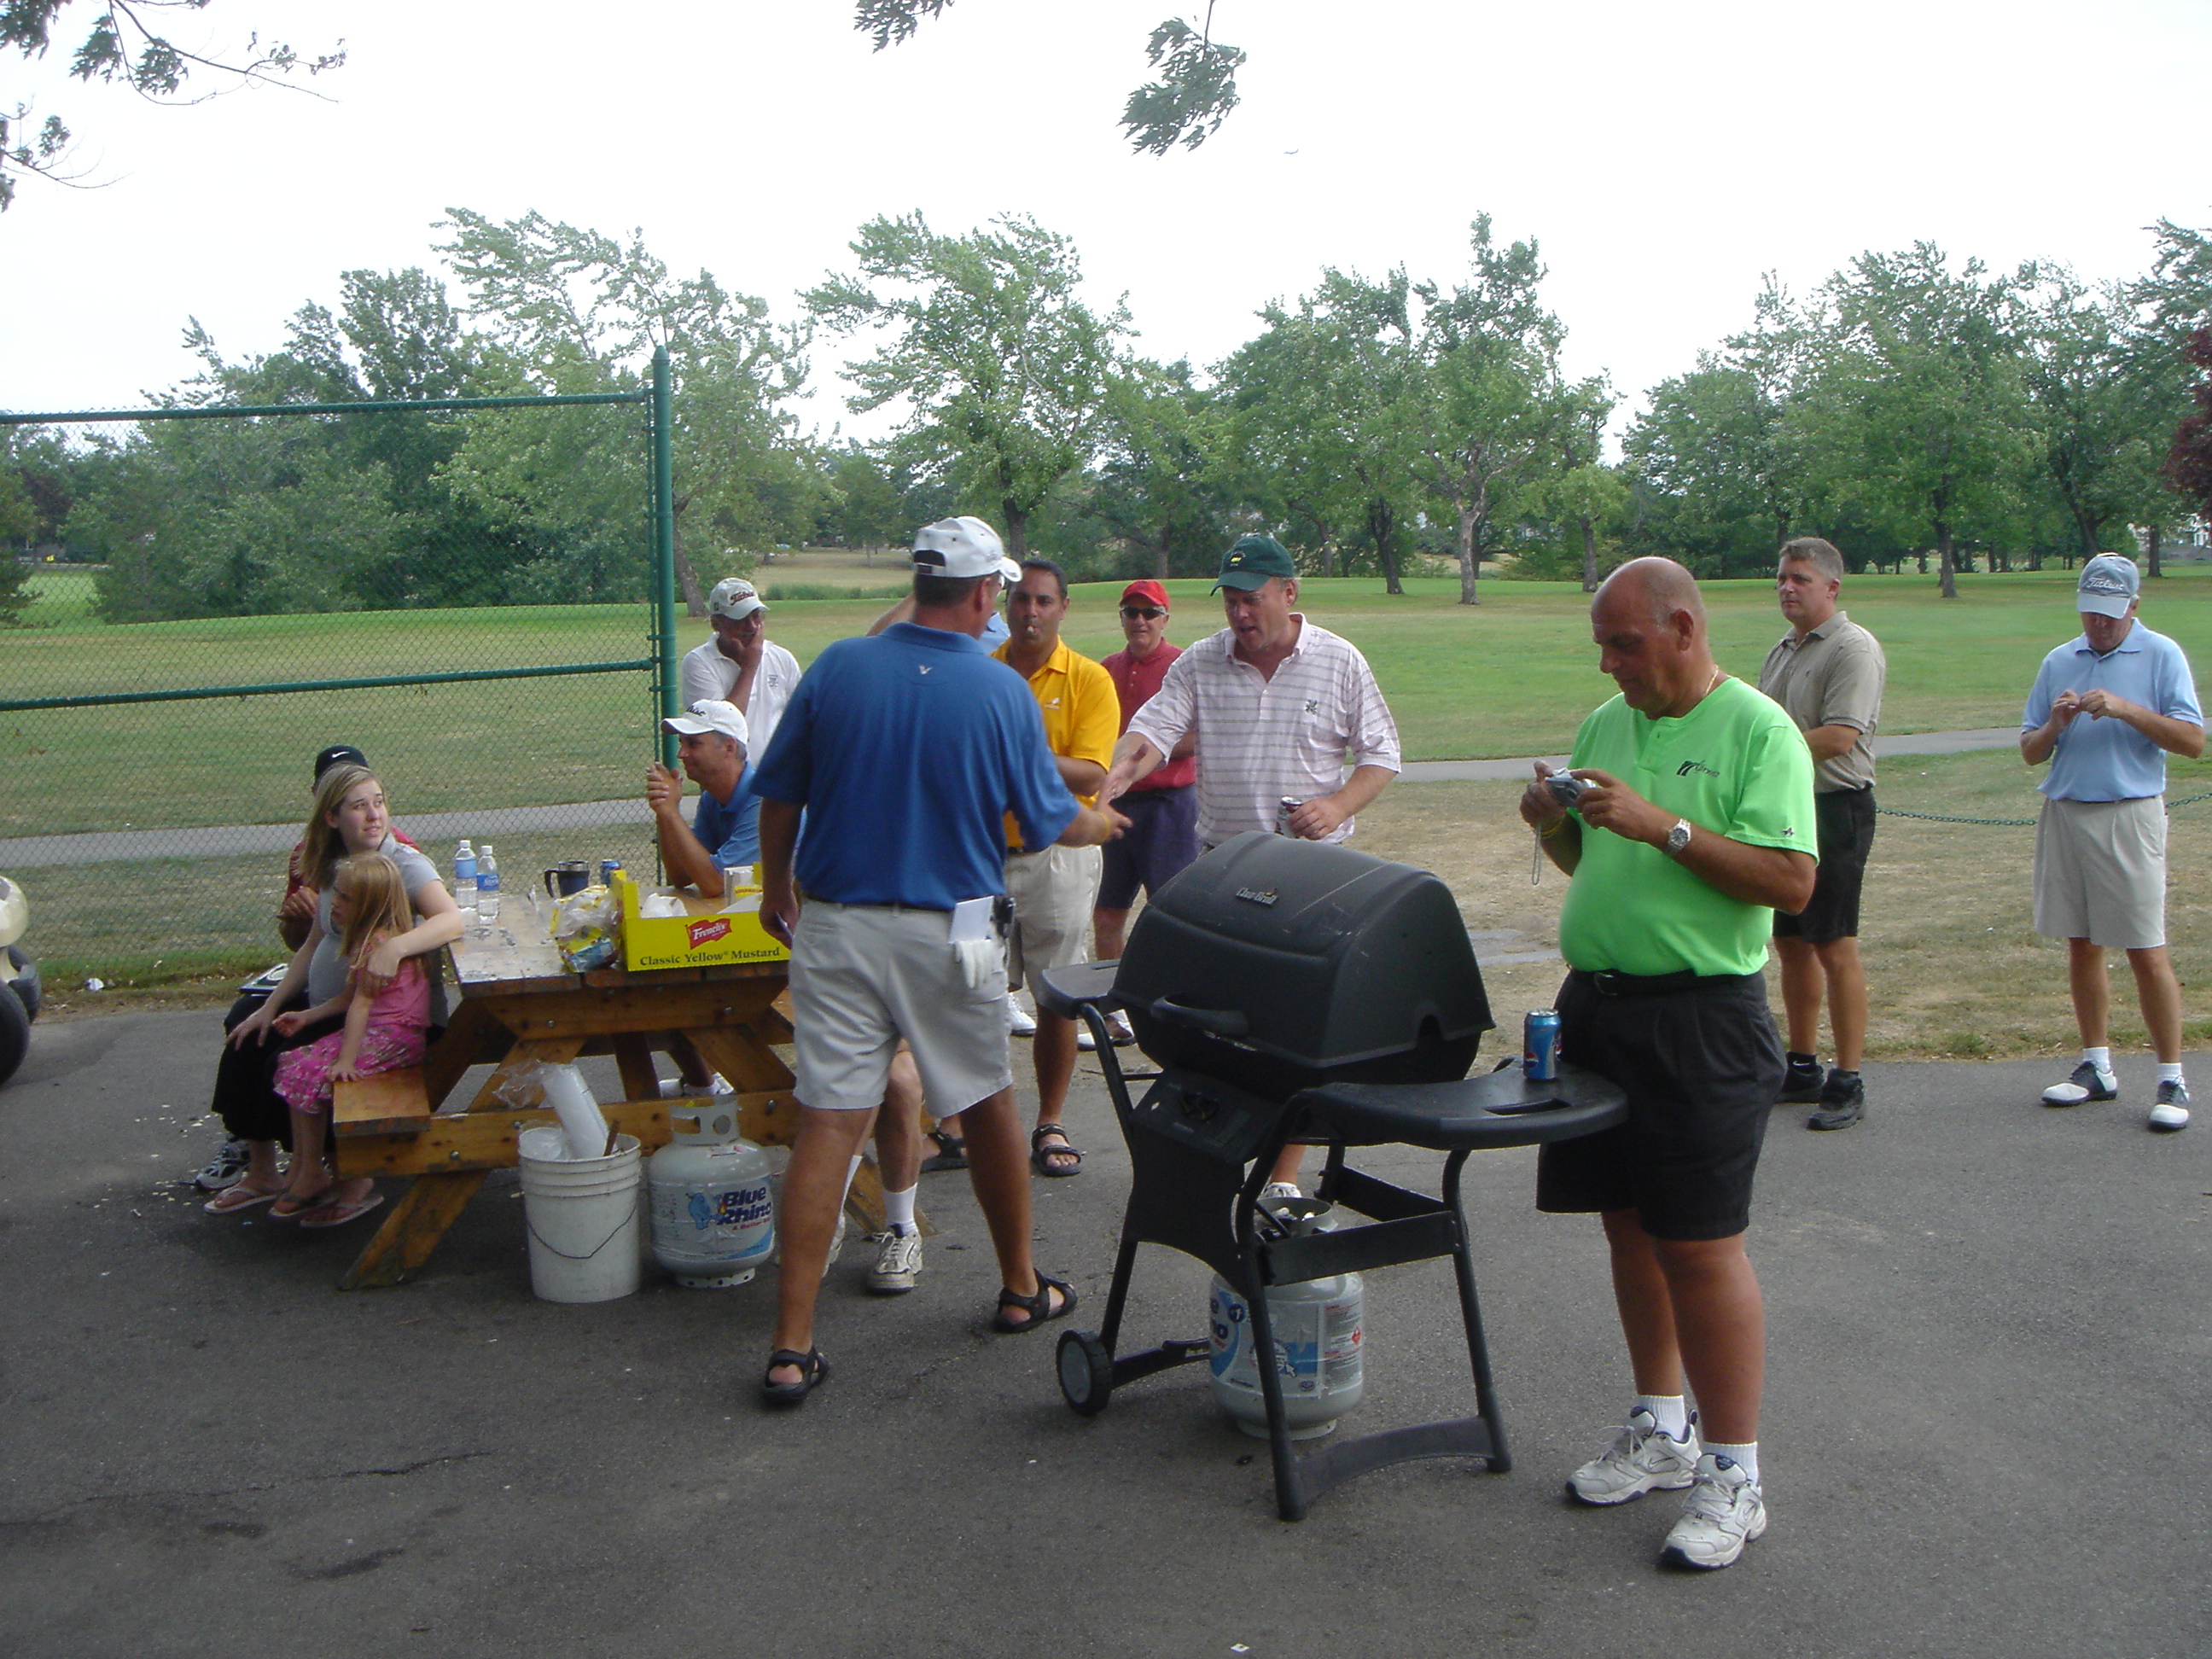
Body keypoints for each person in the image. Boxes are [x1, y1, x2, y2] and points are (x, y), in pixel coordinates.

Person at [748, 514, 1125, 1405]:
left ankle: (792, 1347)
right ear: (987, 592)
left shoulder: (839, 664)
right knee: (988, 1101)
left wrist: (775, 890)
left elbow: (781, 792)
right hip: (950, 928)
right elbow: (1052, 820)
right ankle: (1021, 1289)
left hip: (835, 923)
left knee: (829, 1125)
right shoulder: (998, 693)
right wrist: (1103, 822)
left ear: (918, 583)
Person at [1519, 556, 1815, 1571]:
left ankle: (1737, 1475)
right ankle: (1663, 1427)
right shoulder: (1610, 726)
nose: (1609, 666)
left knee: (1700, 1244)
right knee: (1628, 1229)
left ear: (1683, 628)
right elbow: (1598, 862)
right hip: (1601, 1010)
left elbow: (1791, 882)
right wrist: (1560, 825)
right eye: (1601, 647)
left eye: (1625, 645)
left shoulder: (1758, 729)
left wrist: (1668, 824)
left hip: (1703, 1021)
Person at [1098, 533, 1401, 1196]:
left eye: (1252, 600)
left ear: (1289, 594)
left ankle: (1284, 1178)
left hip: (1311, 877)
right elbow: (1153, 729)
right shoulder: (1203, 662)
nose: (1239, 614)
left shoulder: (1339, 661)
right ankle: (1214, 1153)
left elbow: (1381, 753)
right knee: (1219, 1029)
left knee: (1296, 1032)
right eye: (1231, 601)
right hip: (1224, 872)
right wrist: (1121, 770)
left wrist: (1338, 802)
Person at [203, 765, 465, 1225]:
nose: (373, 815)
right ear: (331, 817)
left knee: (283, 1059)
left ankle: (329, 1171)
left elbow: (452, 920)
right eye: (359, 805)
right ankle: (262, 1170)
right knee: (244, 1027)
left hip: (376, 1013)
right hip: (334, 999)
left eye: (379, 802)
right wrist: (269, 1007)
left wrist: (397, 949)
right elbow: (312, 942)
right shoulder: (334, 864)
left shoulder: (402, 863)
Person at [2022, 552, 2203, 1132]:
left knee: (2145, 949)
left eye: (2109, 614)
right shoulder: (2059, 660)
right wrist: (2056, 725)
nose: (2097, 625)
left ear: (2133, 606)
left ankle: (2171, 1076)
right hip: (2067, 810)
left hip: (2130, 813)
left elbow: (2193, 740)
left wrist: (2126, 709)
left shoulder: (2161, 654)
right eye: (2089, 613)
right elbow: (2029, 749)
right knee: (2081, 943)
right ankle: (2096, 1065)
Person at [986, 557, 1117, 1177]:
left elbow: (1092, 773)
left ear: (1063, 608)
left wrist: (1013, 751)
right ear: (1004, 607)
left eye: (1043, 601)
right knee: (975, 996)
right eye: (1020, 601)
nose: (1030, 612)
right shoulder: (982, 675)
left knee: (1056, 999)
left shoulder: (1089, 680)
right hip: (983, 856)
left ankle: (1050, 1121)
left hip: (1059, 858)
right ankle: (971, 1123)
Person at [1757, 537, 1887, 1131]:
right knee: (1791, 941)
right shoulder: (1783, 649)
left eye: (1801, 579)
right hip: (1787, 811)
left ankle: (1848, 1078)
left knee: (1835, 943)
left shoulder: (1852, 649)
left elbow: (1839, 736)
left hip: (1836, 807)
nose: (1787, 587)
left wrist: (1766, 760)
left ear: (1832, 587)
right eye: (1783, 577)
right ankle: (1803, 1064)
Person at [266, 854, 434, 1225]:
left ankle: (328, 1171)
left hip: (393, 1036)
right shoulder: (369, 937)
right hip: (379, 1030)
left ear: (368, 905)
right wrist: (306, 1016)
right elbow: (347, 997)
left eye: (343, 898)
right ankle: (308, 1165)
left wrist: (345, 1061)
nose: (333, 904)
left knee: (311, 1073)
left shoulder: (378, 944)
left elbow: (359, 1008)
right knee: (292, 1062)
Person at [1091, 579, 1199, 1046]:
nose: (1139, 622)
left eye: (1149, 613)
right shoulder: (1107, 670)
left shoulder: (1182, 665)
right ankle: (1117, 1011)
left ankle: (1174, 1005)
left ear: (1164, 619)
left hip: (1167, 806)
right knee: (1107, 913)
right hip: (1117, 807)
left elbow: (1199, 734)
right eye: (1131, 612)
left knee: (1170, 913)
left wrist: (1142, 758)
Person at [678, 578, 804, 754]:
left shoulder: (782, 658)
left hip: (776, 773)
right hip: (727, 777)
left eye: (756, 616)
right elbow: (720, 728)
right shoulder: (699, 662)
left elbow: (800, 720)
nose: (751, 626)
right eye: (739, 620)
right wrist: (749, 668)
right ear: (717, 624)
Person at [649, 698, 760, 896]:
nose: (681, 754)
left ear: (729, 747)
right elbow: (681, 875)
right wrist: (663, 809)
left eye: (693, 744)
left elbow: (715, 884)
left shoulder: (763, 800)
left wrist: (672, 812)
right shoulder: (712, 798)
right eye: (681, 743)